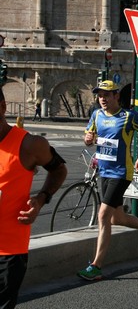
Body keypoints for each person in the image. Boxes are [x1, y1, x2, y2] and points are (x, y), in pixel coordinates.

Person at [78, 80, 138, 281]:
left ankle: (96, 265)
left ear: (117, 96)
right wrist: (88, 140)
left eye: (107, 95)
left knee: (103, 215)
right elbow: (88, 138)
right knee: (117, 218)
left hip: (121, 172)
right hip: (104, 172)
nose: (103, 99)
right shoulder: (96, 115)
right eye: (100, 95)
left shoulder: (129, 116)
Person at [0, 87, 68, 308]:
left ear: (2, 108)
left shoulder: (30, 145)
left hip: (8, 251)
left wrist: (41, 199)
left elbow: (59, 170)